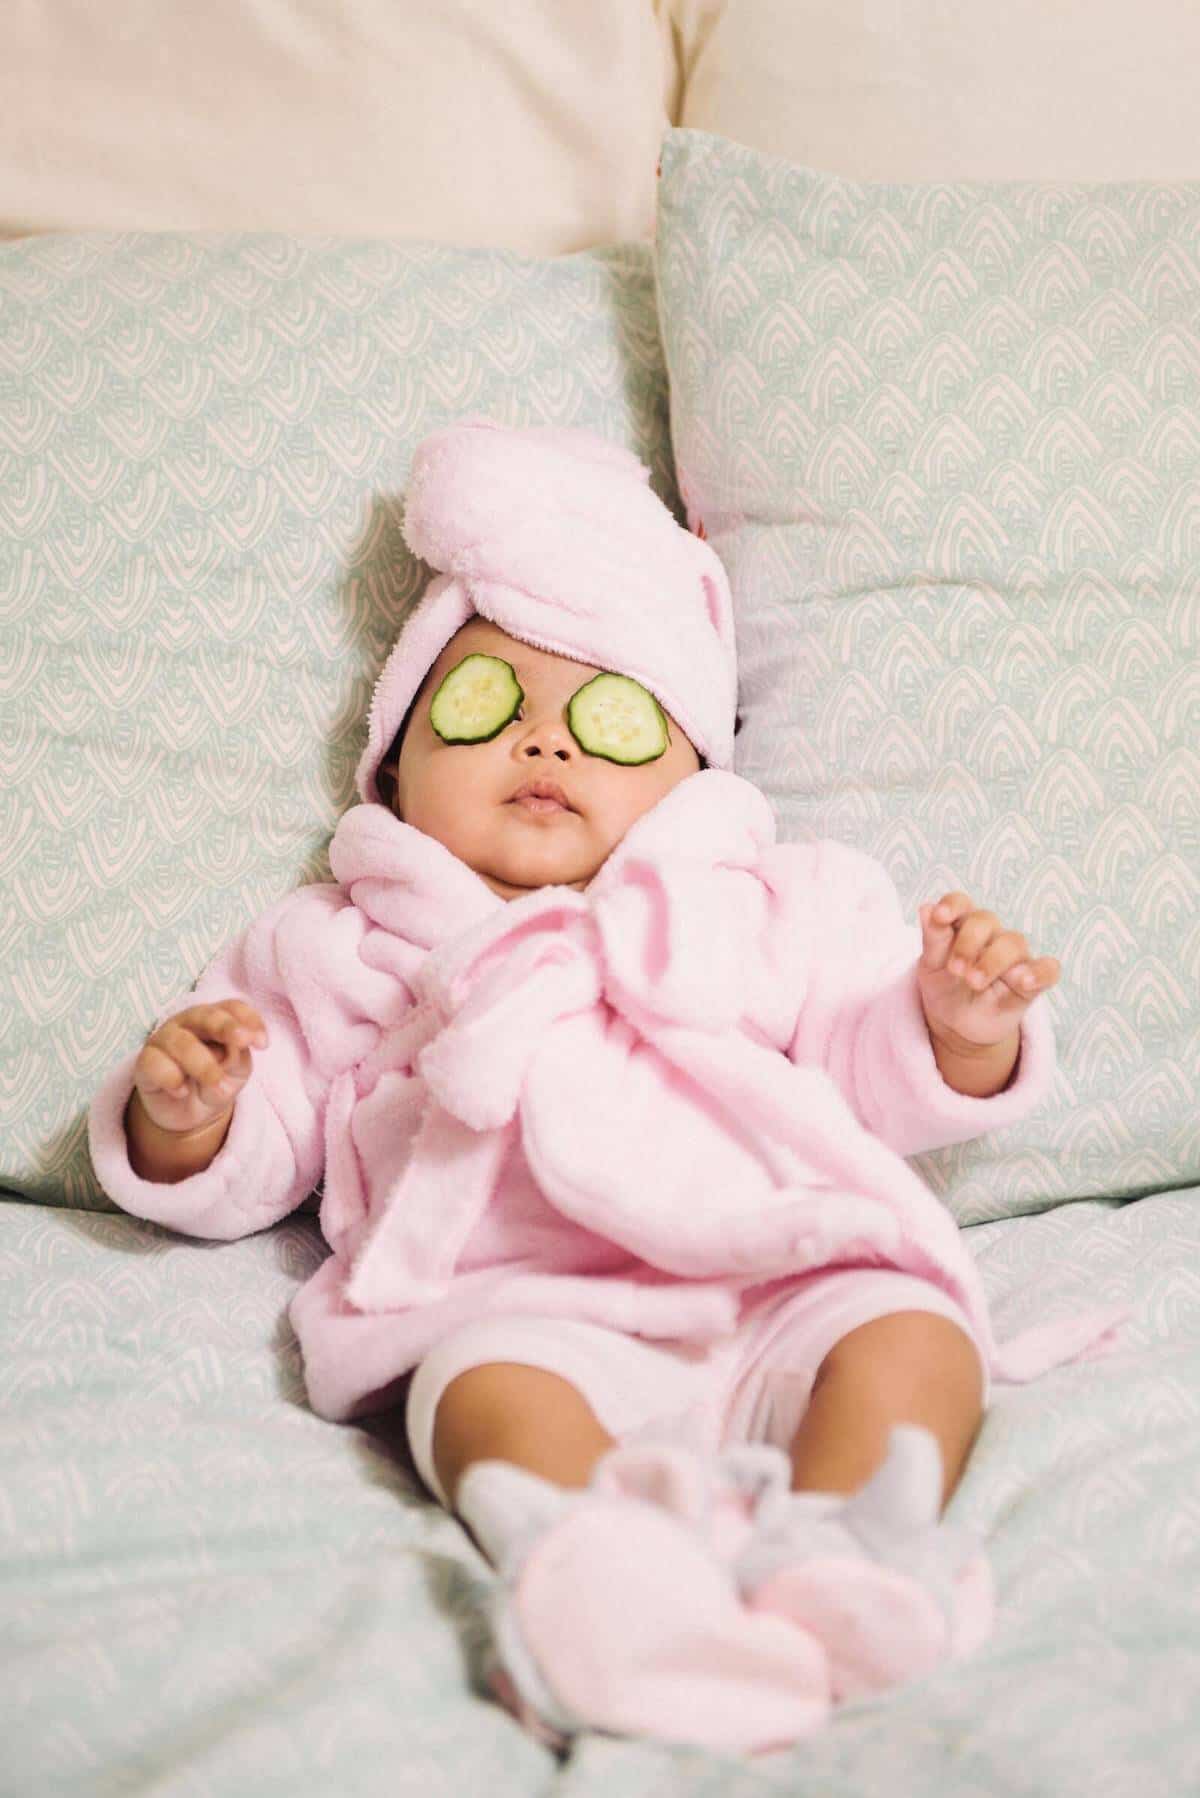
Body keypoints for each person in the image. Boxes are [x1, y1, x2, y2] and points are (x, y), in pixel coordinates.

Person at [88, 417, 1122, 1755]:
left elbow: (874, 1081)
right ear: (394, 763)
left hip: (774, 1277)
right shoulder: (352, 940)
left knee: (912, 1332)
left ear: (693, 769)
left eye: (609, 719)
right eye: (480, 706)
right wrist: (191, 1115)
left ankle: (850, 1541)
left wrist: (953, 1020)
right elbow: (274, 1124)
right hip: (520, 1304)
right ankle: (598, 1571)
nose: (545, 744)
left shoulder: (762, 900)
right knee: (471, 1394)